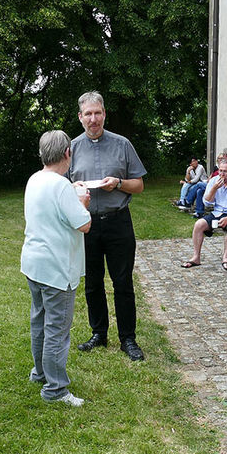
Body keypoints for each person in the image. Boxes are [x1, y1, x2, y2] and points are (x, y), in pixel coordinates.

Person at [68, 91, 148, 362]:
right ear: (80, 117)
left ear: (104, 114)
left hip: (118, 221)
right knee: (92, 282)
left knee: (123, 282)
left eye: (97, 113)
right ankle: (98, 334)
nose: (93, 119)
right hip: (87, 224)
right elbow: (61, 187)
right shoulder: (72, 148)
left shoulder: (122, 144)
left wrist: (119, 183)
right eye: (88, 114)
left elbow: (139, 184)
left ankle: (128, 338)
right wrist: (74, 190)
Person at [21, 130, 92, 406]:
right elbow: (83, 224)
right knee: (57, 329)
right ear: (67, 154)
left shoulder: (35, 179)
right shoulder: (61, 186)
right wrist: (83, 202)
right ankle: (56, 389)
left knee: (39, 320)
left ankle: (40, 372)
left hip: (34, 263)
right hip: (57, 267)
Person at [180, 159, 227, 270]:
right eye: (220, 170)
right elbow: (207, 202)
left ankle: (226, 258)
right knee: (199, 224)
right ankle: (196, 257)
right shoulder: (214, 181)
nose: (222, 174)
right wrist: (214, 188)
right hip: (217, 212)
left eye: (225, 171)